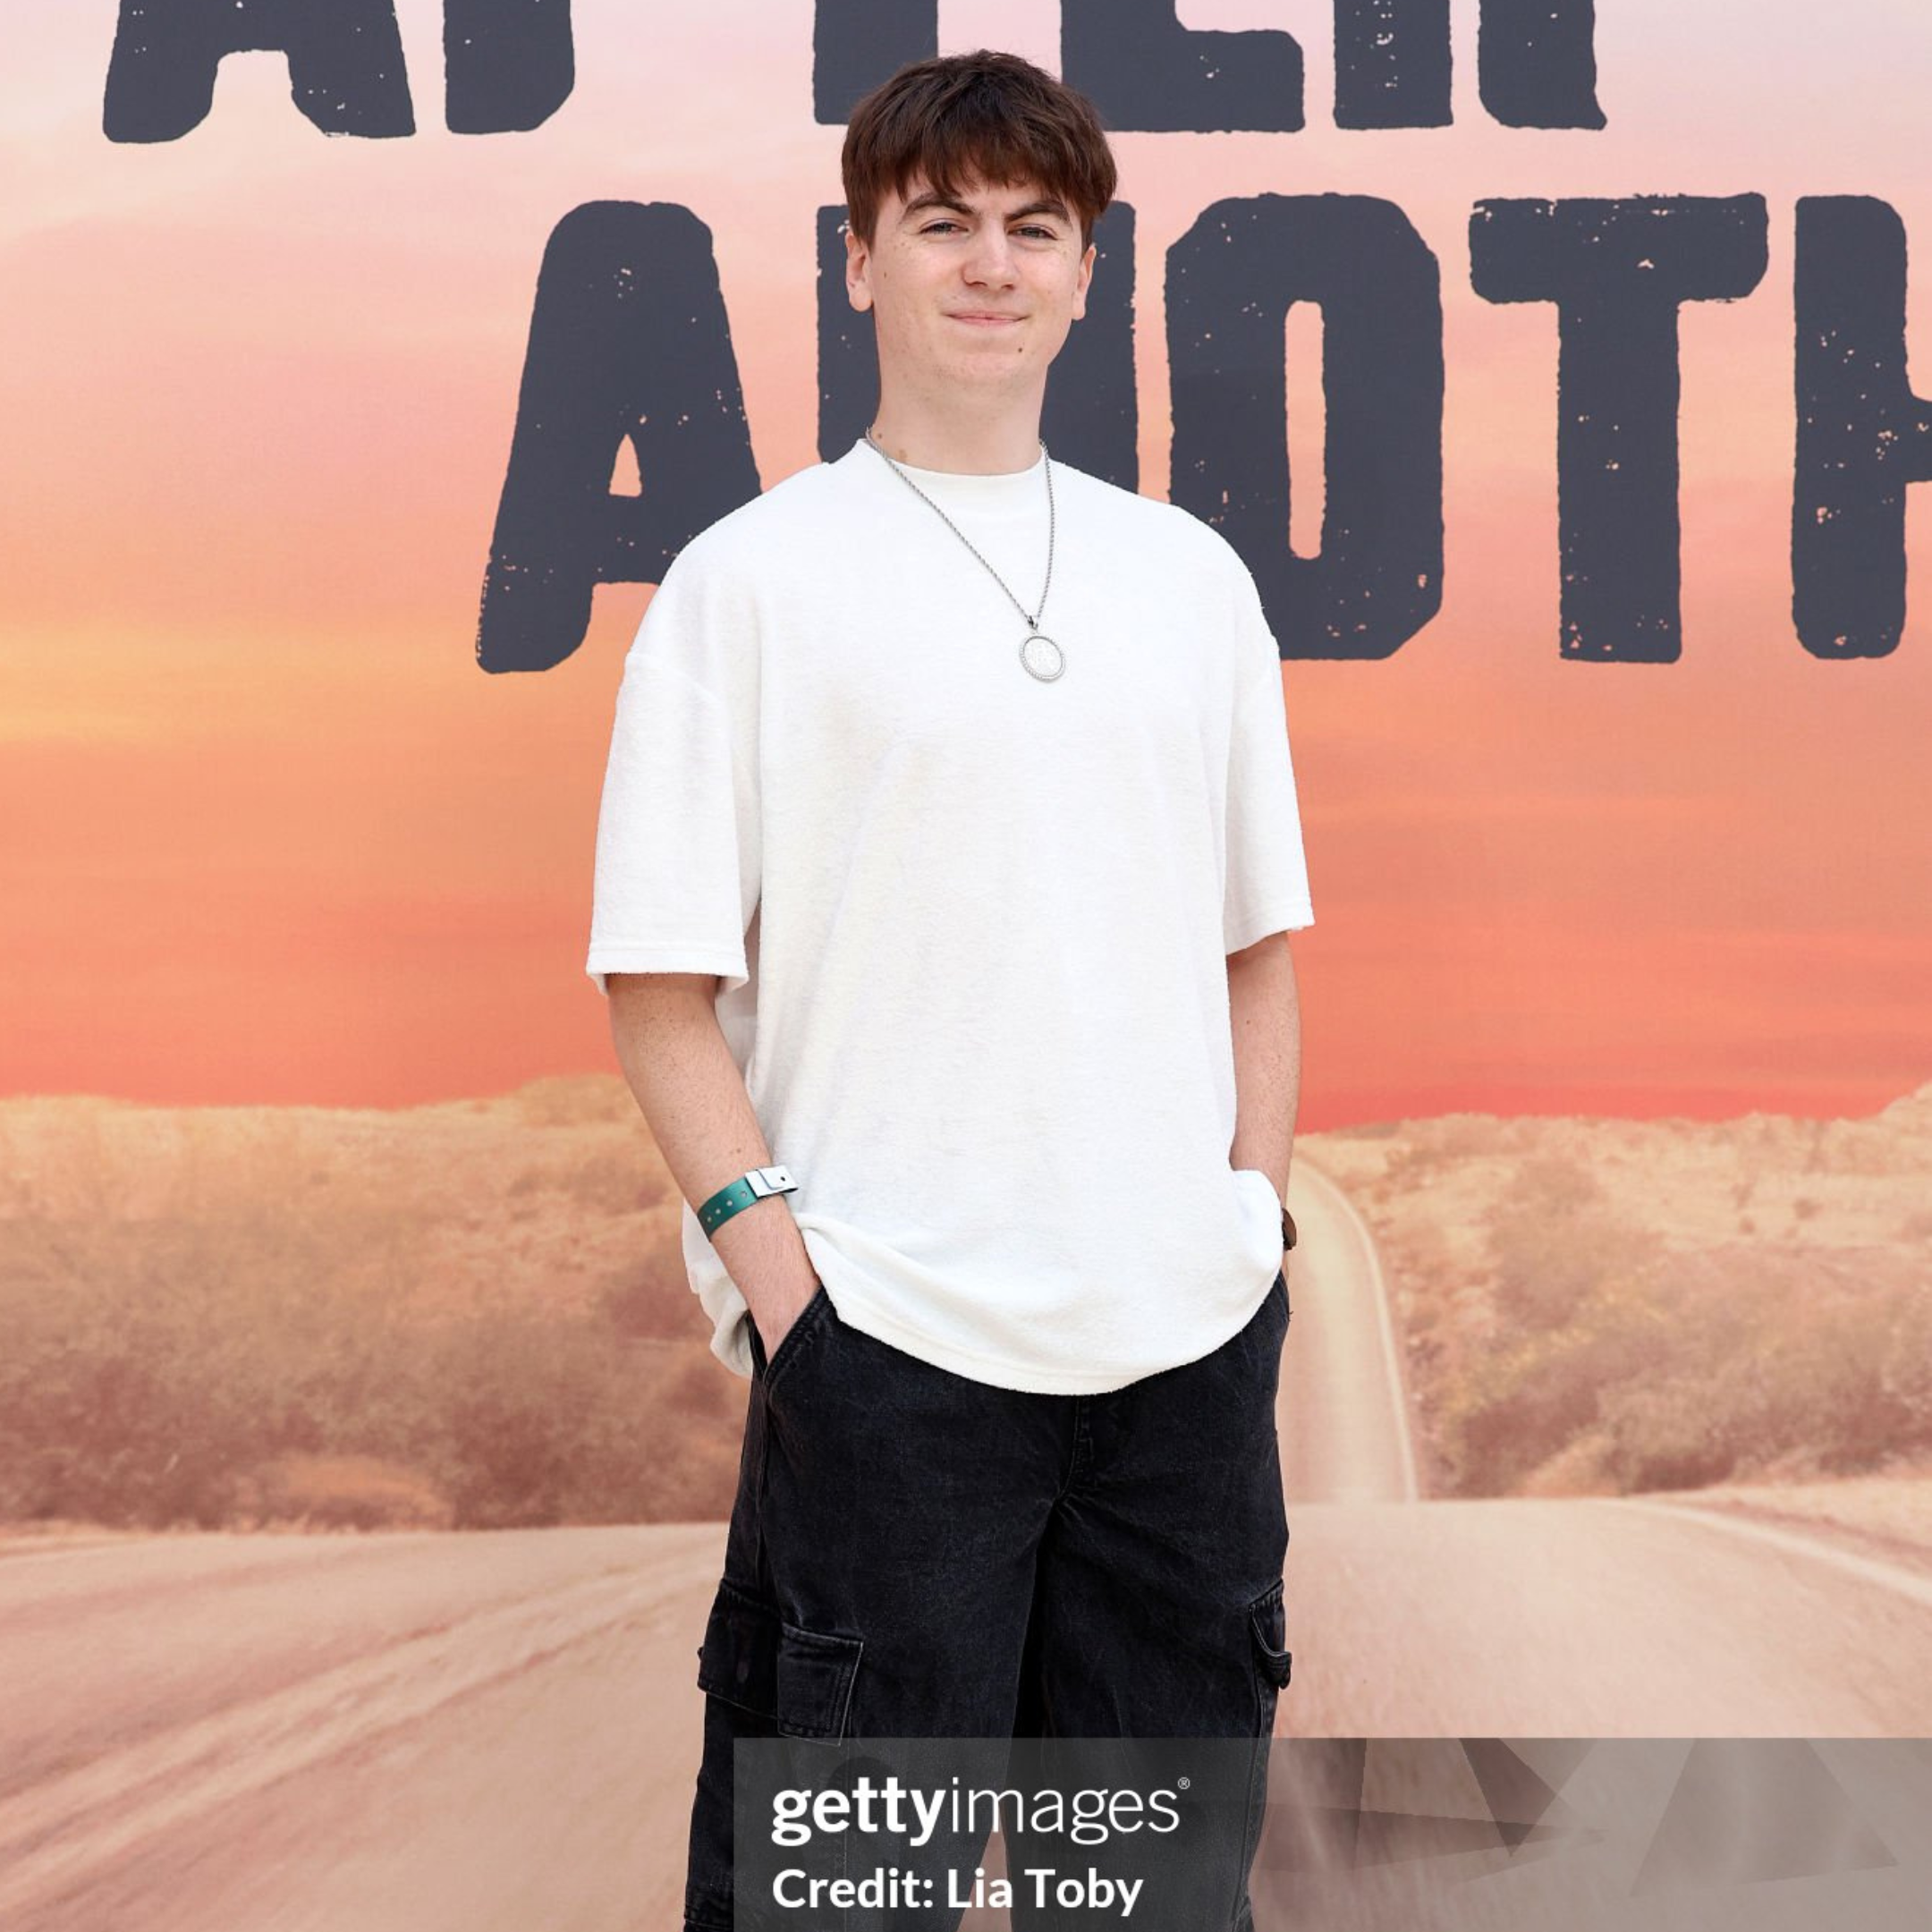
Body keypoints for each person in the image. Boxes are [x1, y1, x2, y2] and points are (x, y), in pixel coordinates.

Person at [585, 47, 1313, 1932]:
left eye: (1033, 229)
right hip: (890, 1361)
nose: (990, 266)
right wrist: (790, 1298)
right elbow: (660, 982)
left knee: (1159, 1900)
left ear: (1090, 270)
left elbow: (1259, 946)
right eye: (943, 226)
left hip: (1179, 1373)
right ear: (861, 262)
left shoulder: (1190, 583)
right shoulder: (744, 584)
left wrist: (1250, 1238)